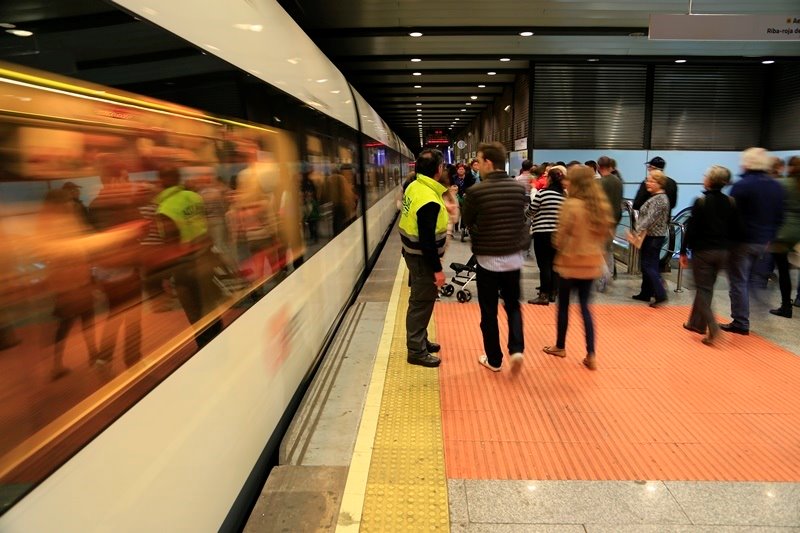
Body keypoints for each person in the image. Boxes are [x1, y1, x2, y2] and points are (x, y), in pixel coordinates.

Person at [461, 142, 530, 373]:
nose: (477, 166)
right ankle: (517, 349)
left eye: (479, 161)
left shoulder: (475, 192)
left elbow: (468, 221)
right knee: (513, 306)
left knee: (488, 311)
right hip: (514, 257)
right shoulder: (518, 189)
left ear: (488, 162)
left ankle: (494, 359)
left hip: (487, 260)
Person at [542, 165, 613, 371]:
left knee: (563, 306)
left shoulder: (571, 205)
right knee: (585, 308)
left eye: (568, 179)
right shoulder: (600, 206)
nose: (565, 182)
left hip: (570, 264)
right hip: (591, 264)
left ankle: (560, 346)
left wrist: (560, 244)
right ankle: (591, 353)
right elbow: (605, 234)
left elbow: (559, 237)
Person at [721, 147, 785, 335]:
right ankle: (760, 307)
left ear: (748, 163)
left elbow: (732, 216)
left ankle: (741, 321)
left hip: (742, 242)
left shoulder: (742, 186)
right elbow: (779, 216)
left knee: (738, 281)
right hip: (763, 242)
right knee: (755, 280)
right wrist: (769, 237)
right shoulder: (775, 186)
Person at [398, 149, 449, 368]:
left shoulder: (414, 186)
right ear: (438, 170)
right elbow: (427, 240)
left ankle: (421, 340)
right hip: (422, 258)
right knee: (421, 302)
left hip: (411, 253)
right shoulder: (428, 198)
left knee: (422, 300)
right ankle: (416, 351)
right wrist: (437, 270)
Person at [679, 166, 740, 345]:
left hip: (703, 252)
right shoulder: (731, 202)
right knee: (707, 288)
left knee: (701, 288)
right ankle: (696, 324)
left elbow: (691, 230)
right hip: (723, 252)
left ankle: (713, 328)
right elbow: (737, 229)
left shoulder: (701, 201)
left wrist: (683, 251)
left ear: (710, 180)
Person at [526, 165, 566, 305]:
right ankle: (553, 293)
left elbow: (531, 210)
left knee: (544, 264)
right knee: (554, 264)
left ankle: (543, 295)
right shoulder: (563, 196)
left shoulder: (543, 193)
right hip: (558, 234)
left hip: (542, 233)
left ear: (549, 179)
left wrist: (527, 214)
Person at [631, 170, 671, 307]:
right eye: (648, 180)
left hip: (654, 237)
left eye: (651, 181)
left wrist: (637, 230)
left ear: (659, 183)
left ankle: (660, 293)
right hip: (651, 236)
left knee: (649, 265)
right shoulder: (656, 197)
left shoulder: (659, 199)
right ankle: (646, 292)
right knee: (648, 265)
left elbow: (650, 218)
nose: (648, 183)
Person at [768, 155, 800, 318]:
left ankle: (786, 306)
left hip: (782, 233)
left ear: (789, 168)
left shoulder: (782, 184)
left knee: (783, 271)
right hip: (798, 234)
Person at [597, 156, 623, 291]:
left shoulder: (600, 183)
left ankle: (604, 275)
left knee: (599, 249)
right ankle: (610, 273)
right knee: (608, 248)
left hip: (601, 220)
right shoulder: (618, 182)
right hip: (614, 219)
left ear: (599, 167)